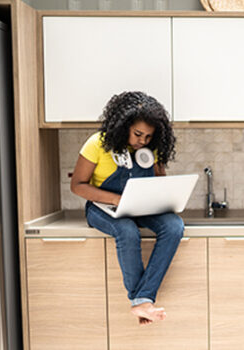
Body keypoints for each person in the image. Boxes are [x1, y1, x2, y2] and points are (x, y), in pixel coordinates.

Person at [71, 91, 183, 326]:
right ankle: (141, 302)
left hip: (140, 206)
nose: (142, 141)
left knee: (174, 226)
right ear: (124, 126)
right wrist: (115, 200)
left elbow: (158, 184)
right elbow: (78, 186)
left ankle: (142, 301)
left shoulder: (149, 150)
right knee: (126, 230)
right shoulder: (97, 144)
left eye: (149, 137)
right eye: (138, 134)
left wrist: (166, 190)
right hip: (102, 208)